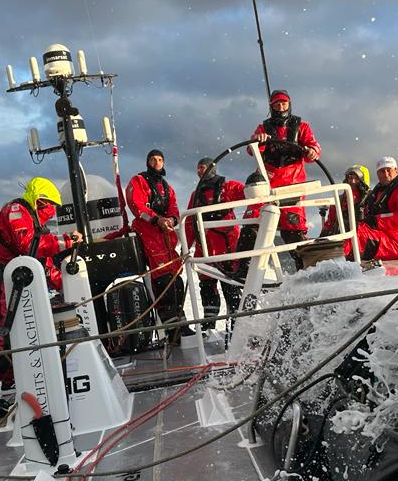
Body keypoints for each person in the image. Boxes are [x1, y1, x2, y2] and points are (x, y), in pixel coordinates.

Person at [0, 177, 83, 406]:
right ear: (41, 201)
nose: (53, 213)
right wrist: (66, 241)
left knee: (22, 337)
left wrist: (73, 288)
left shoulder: (35, 225)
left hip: (17, 284)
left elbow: (44, 264)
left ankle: (13, 383)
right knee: (3, 341)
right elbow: (29, 246)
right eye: (51, 206)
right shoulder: (16, 211)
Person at [126, 149, 190, 341]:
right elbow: (136, 206)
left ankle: (181, 323)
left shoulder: (166, 187)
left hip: (167, 237)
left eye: (160, 159)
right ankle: (173, 331)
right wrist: (156, 220)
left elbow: (174, 207)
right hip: (149, 234)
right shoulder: (138, 181)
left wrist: (171, 218)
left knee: (176, 281)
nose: (157, 163)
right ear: (147, 162)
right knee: (163, 281)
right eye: (153, 159)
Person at [249, 89, 321, 245]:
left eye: (284, 103)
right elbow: (251, 150)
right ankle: (244, 266)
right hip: (267, 184)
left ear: (289, 104)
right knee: (252, 226)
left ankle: (304, 267)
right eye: (276, 104)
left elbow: (314, 148)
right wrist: (257, 141)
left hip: (293, 185)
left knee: (293, 231)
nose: (281, 107)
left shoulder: (302, 127)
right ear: (271, 107)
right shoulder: (263, 128)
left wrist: (312, 152)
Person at [184, 157, 245, 330]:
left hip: (227, 250)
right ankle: (208, 326)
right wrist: (187, 246)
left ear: (212, 168)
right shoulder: (195, 196)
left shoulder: (229, 187)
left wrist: (257, 181)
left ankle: (237, 326)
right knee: (207, 289)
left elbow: (250, 194)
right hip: (206, 251)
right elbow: (189, 222)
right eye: (198, 168)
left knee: (231, 290)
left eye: (202, 167)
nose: (199, 171)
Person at [352, 156, 398, 261]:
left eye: (388, 170)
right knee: (349, 229)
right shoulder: (376, 194)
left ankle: (334, 262)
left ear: (396, 171)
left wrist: (376, 221)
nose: (385, 174)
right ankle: (329, 259)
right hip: (379, 235)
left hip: (397, 242)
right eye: (381, 171)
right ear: (377, 174)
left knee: (354, 235)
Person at [322, 164, 370, 236]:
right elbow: (330, 222)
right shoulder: (339, 200)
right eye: (350, 178)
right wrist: (324, 233)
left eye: (356, 179)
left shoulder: (370, 199)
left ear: (362, 181)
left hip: (361, 237)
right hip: (340, 238)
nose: (352, 181)